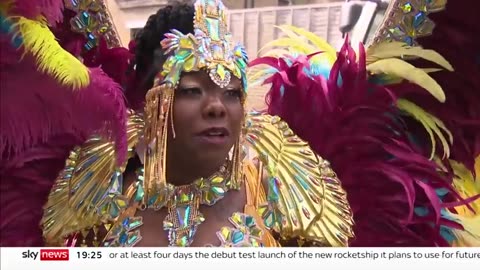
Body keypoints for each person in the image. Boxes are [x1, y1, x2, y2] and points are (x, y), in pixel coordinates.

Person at [0, 0, 477, 248]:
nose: (217, 107)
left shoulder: (277, 164)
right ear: (148, 102)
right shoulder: (103, 165)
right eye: (193, 89)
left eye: (230, 91)